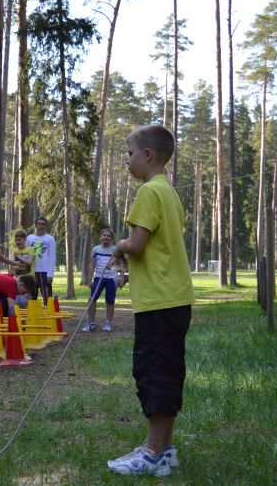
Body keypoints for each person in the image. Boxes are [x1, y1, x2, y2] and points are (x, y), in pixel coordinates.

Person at [106, 124, 194, 477]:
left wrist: (119, 246)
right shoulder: (169, 192)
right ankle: (165, 450)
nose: (126, 160)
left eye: (129, 154)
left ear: (147, 155)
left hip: (159, 300)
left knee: (154, 372)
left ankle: (152, 451)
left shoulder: (148, 192)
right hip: (174, 299)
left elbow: (138, 245)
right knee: (167, 370)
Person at [82, 228, 124, 333]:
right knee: (92, 299)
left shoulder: (115, 250)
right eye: (104, 235)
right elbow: (92, 265)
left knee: (110, 300)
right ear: (101, 237)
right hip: (98, 277)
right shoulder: (95, 249)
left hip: (112, 278)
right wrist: (89, 280)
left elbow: (121, 265)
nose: (106, 237)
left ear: (111, 238)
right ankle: (90, 323)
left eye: (108, 236)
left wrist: (122, 278)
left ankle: (108, 323)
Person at [27, 217, 57, 305]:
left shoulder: (50, 239)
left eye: (43, 224)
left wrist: (50, 274)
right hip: (31, 271)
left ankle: (50, 312)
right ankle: (32, 313)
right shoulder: (29, 238)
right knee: (31, 296)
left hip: (44, 271)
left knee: (47, 296)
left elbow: (52, 257)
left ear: (46, 226)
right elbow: (25, 254)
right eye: (39, 223)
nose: (41, 226)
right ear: (36, 225)